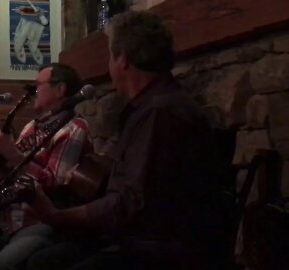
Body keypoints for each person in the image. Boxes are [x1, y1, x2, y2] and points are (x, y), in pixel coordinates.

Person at [26, 10, 227, 270]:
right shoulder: (152, 106)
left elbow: (130, 204)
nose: (108, 65)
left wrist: (59, 216)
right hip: (140, 239)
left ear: (122, 59)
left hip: (157, 251)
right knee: (45, 259)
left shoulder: (160, 112)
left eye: (110, 55)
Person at [0, 63, 92, 270]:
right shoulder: (32, 126)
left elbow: (54, 185)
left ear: (60, 90)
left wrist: (12, 153)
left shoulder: (73, 129)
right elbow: (10, 174)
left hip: (41, 221)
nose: (33, 91)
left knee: (2, 265)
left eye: (38, 85)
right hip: (8, 216)